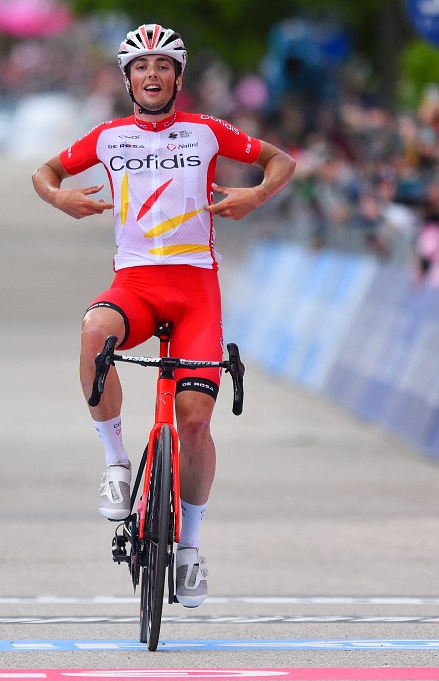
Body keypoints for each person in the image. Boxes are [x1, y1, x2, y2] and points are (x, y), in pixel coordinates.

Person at [31, 24, 295, 607]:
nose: (152, 75)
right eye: (141, 67)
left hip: (197, 289)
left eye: (163, 66)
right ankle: (116, 460)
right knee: (94, 329)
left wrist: (256, 195)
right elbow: (42, 173)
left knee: (196, 421)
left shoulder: (205, 132)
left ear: (178, 77)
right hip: (137, 286)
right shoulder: (107, 137)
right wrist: (61, 197)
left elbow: (281, 161)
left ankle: (191, 547)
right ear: (128, 79)